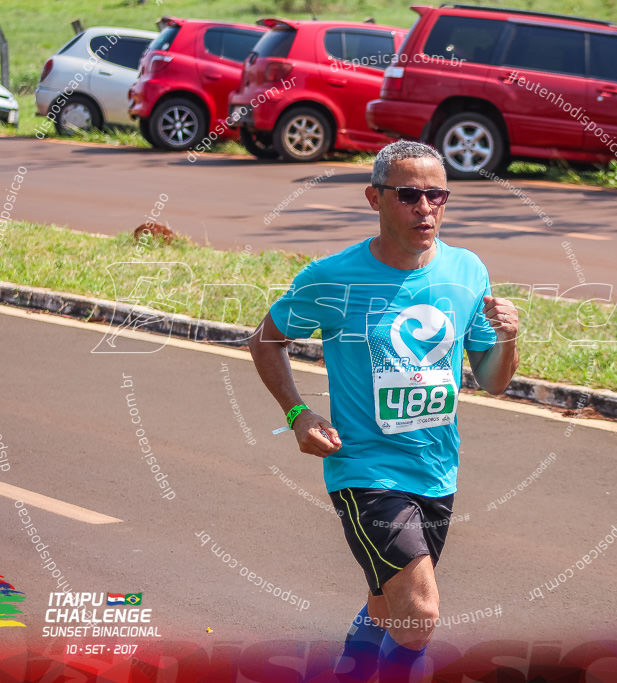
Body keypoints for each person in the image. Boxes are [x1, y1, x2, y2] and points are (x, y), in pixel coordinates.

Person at [248, 140, 519, 680]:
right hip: (364, 468)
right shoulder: (332, 277)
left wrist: (509, 340)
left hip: (436, 467)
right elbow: (265, 339)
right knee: (419, 614)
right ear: (374, 198)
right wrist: (297, 413)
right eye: (410, 195)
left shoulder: (467, 270)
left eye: (437, 195)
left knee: (387, 604)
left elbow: (492, 381)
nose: (426, 208)